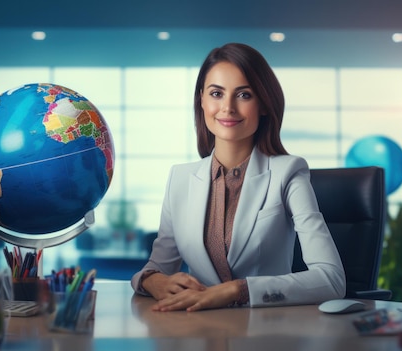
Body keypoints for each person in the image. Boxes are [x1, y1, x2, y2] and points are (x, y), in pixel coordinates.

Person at [131, 42, 345, 311]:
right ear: (202, 99)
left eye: (244, 95)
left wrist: (238, 290)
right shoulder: (180, 178)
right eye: (216, 93)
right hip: (196, 332)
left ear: (264, 104)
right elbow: (157, 267)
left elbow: (331, 279)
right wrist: (153, 281)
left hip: (263, 333)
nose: (228, 107)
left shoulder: (288, 173)